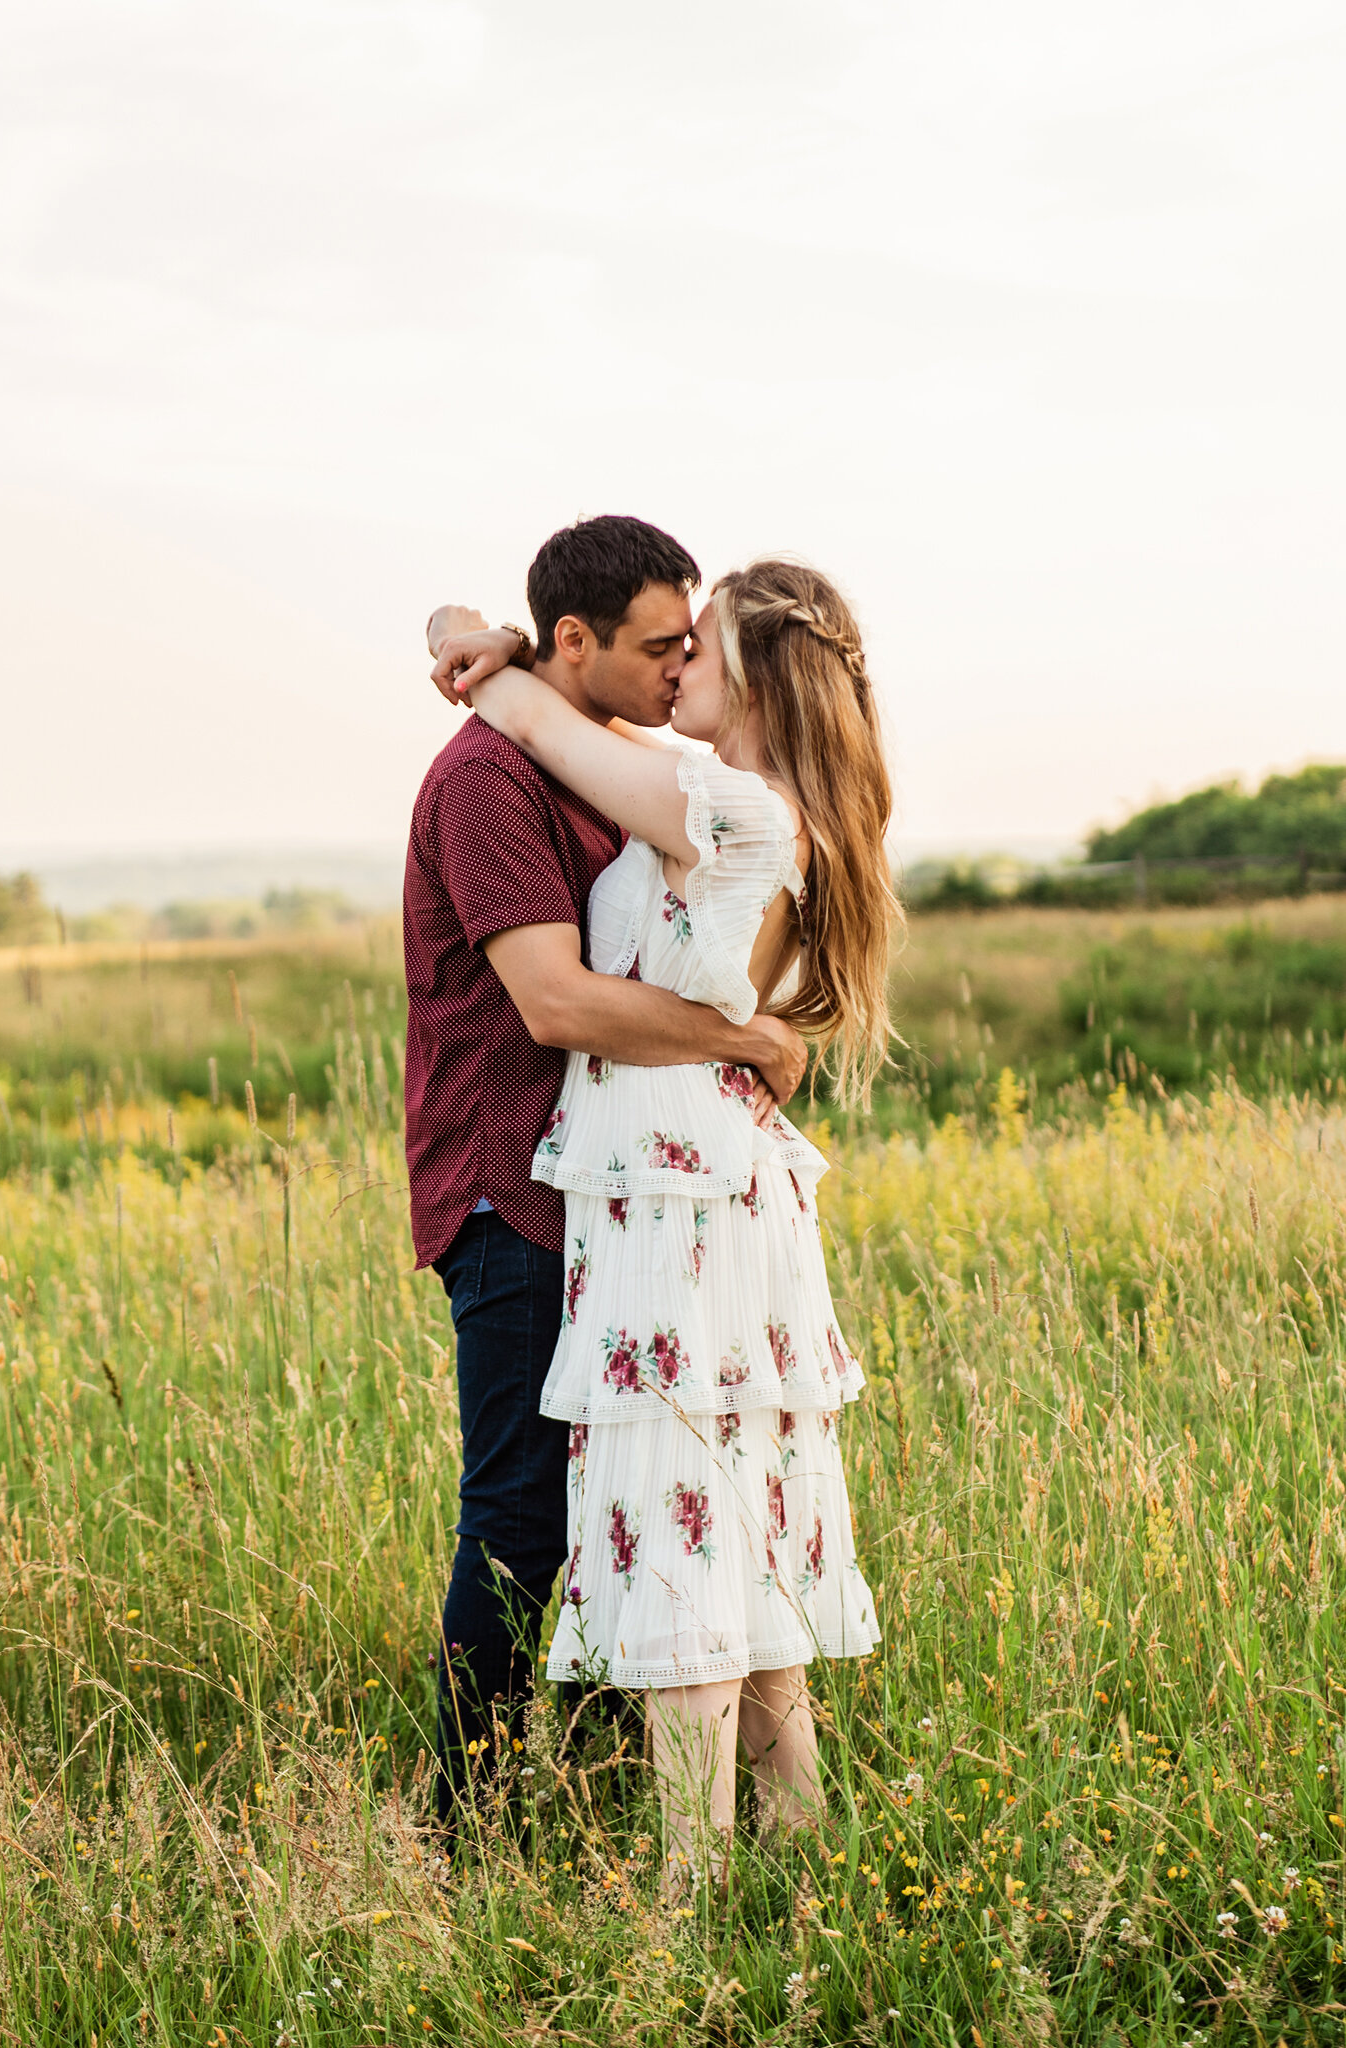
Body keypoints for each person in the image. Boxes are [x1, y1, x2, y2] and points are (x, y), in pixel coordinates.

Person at [429, 557, 899, 1883]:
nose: (674, 670)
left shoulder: (730, 802)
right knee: (733, 1519)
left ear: (751, 678)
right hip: (686, 1178)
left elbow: (533, 721)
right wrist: (483, 632)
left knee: (682, 1514)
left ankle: (684, 1915)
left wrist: (498, 658)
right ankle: (808, 1883)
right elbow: (557, 714)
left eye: (697, 651)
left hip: (680, 1193)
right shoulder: (741, 798)